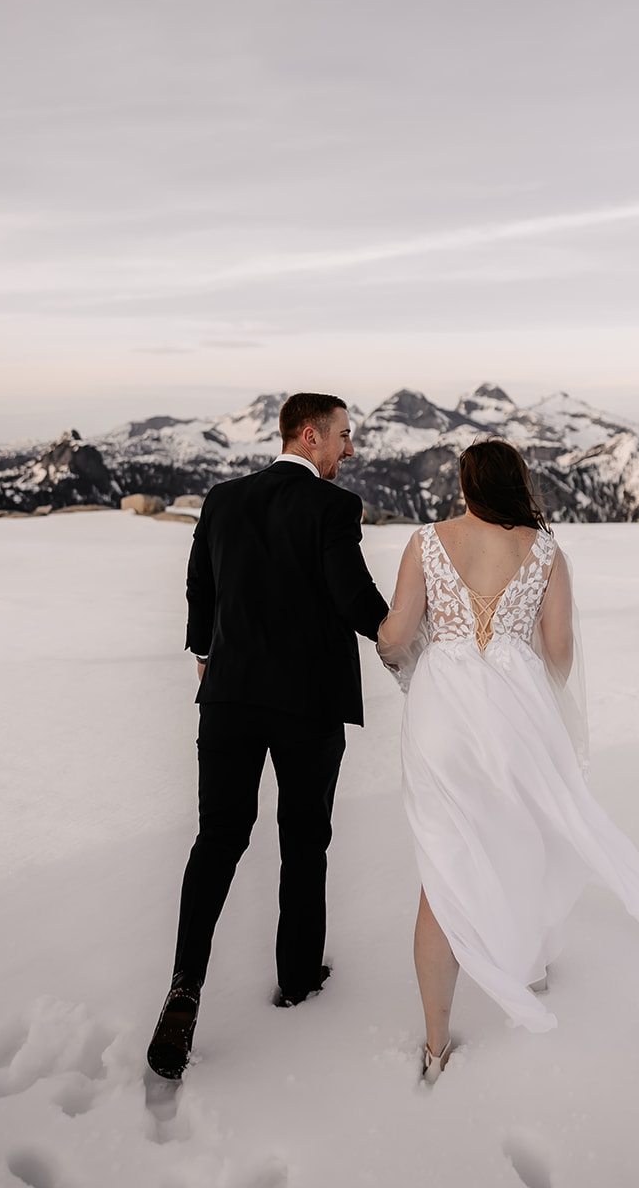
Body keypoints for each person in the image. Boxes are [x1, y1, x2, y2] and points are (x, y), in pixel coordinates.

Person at [377, 437, 639, 1084]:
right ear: (517, 484)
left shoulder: (425, 542)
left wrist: (409, 653)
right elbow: (558, 656)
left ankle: (434, 1043)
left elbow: (396, 634)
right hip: (515, 716)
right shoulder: (545, 553)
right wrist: (515, 671)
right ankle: (525, 968)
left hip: (441, 717)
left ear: (466, 484)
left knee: (443, 866)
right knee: (521, 839)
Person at [147, 393, 390, 1082]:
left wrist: (207, 654)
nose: (350, 449)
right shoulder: (333, 509)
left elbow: (202, 590)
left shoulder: (222, 498)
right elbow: (354, 602)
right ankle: (297, 978)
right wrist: (409, 635)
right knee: (303, 837)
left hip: (227, 697)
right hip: (307, 706)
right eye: (344, 436)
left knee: (217, 840)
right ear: (309, 436)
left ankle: (184, 986)